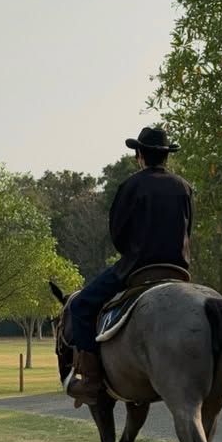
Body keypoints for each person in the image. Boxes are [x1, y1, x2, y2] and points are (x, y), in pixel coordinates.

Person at [66, 126, 193, 406]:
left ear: (139, 155)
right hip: (178, 270)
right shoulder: (184, 186)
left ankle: (90, 380)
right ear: (166, 157)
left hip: (138, 268)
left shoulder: (131, 186)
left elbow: (118, 235)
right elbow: (188, 230)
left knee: (81, 305)